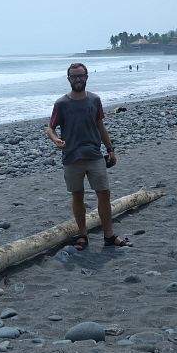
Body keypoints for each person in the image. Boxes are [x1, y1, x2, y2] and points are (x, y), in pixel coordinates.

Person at [46, 62, 132, 250]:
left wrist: (110, 148)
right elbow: (50, 128)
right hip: (72, 158)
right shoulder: (61, 104)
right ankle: (82, 235)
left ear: (86, 77)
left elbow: (100, 125)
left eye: (80, 75)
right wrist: (56, 140)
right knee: (78, 196)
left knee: (104, 194)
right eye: (74, 76)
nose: (77, 79)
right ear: (69, 79)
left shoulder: (94, 100)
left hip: (94, 155)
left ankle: (108, 235)